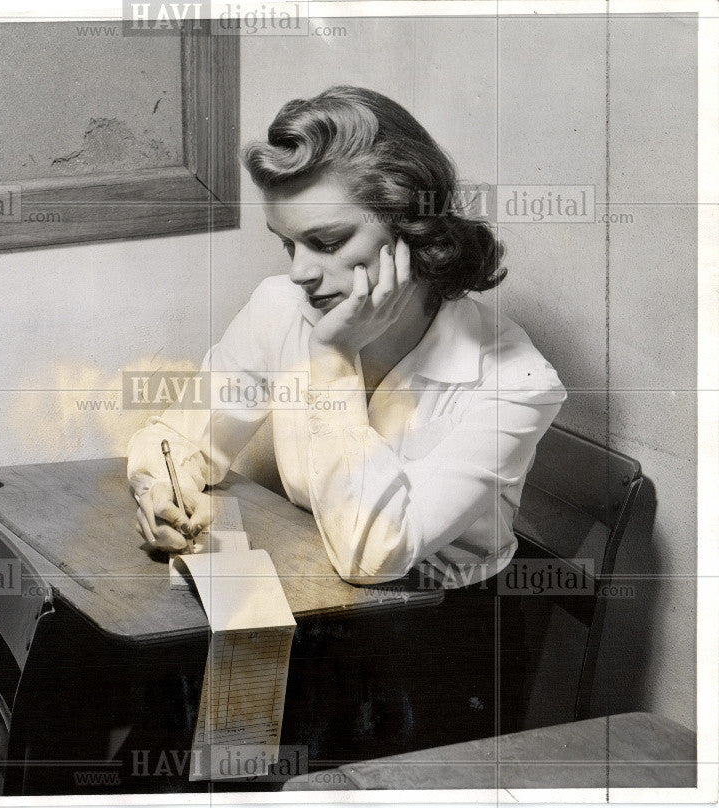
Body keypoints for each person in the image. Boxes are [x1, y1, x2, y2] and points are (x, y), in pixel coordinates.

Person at [125, 85, 568, 763]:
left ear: (410, 228)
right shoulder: (282, 307)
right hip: (303, 614)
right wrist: (161, 490)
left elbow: (373, 557)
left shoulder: (515, 381)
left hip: (432, 653)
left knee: (248, 762)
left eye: (327, 242)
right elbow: (183, 435)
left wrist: (333, 359)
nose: (302, 273)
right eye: (288, 245)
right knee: (171, 744)